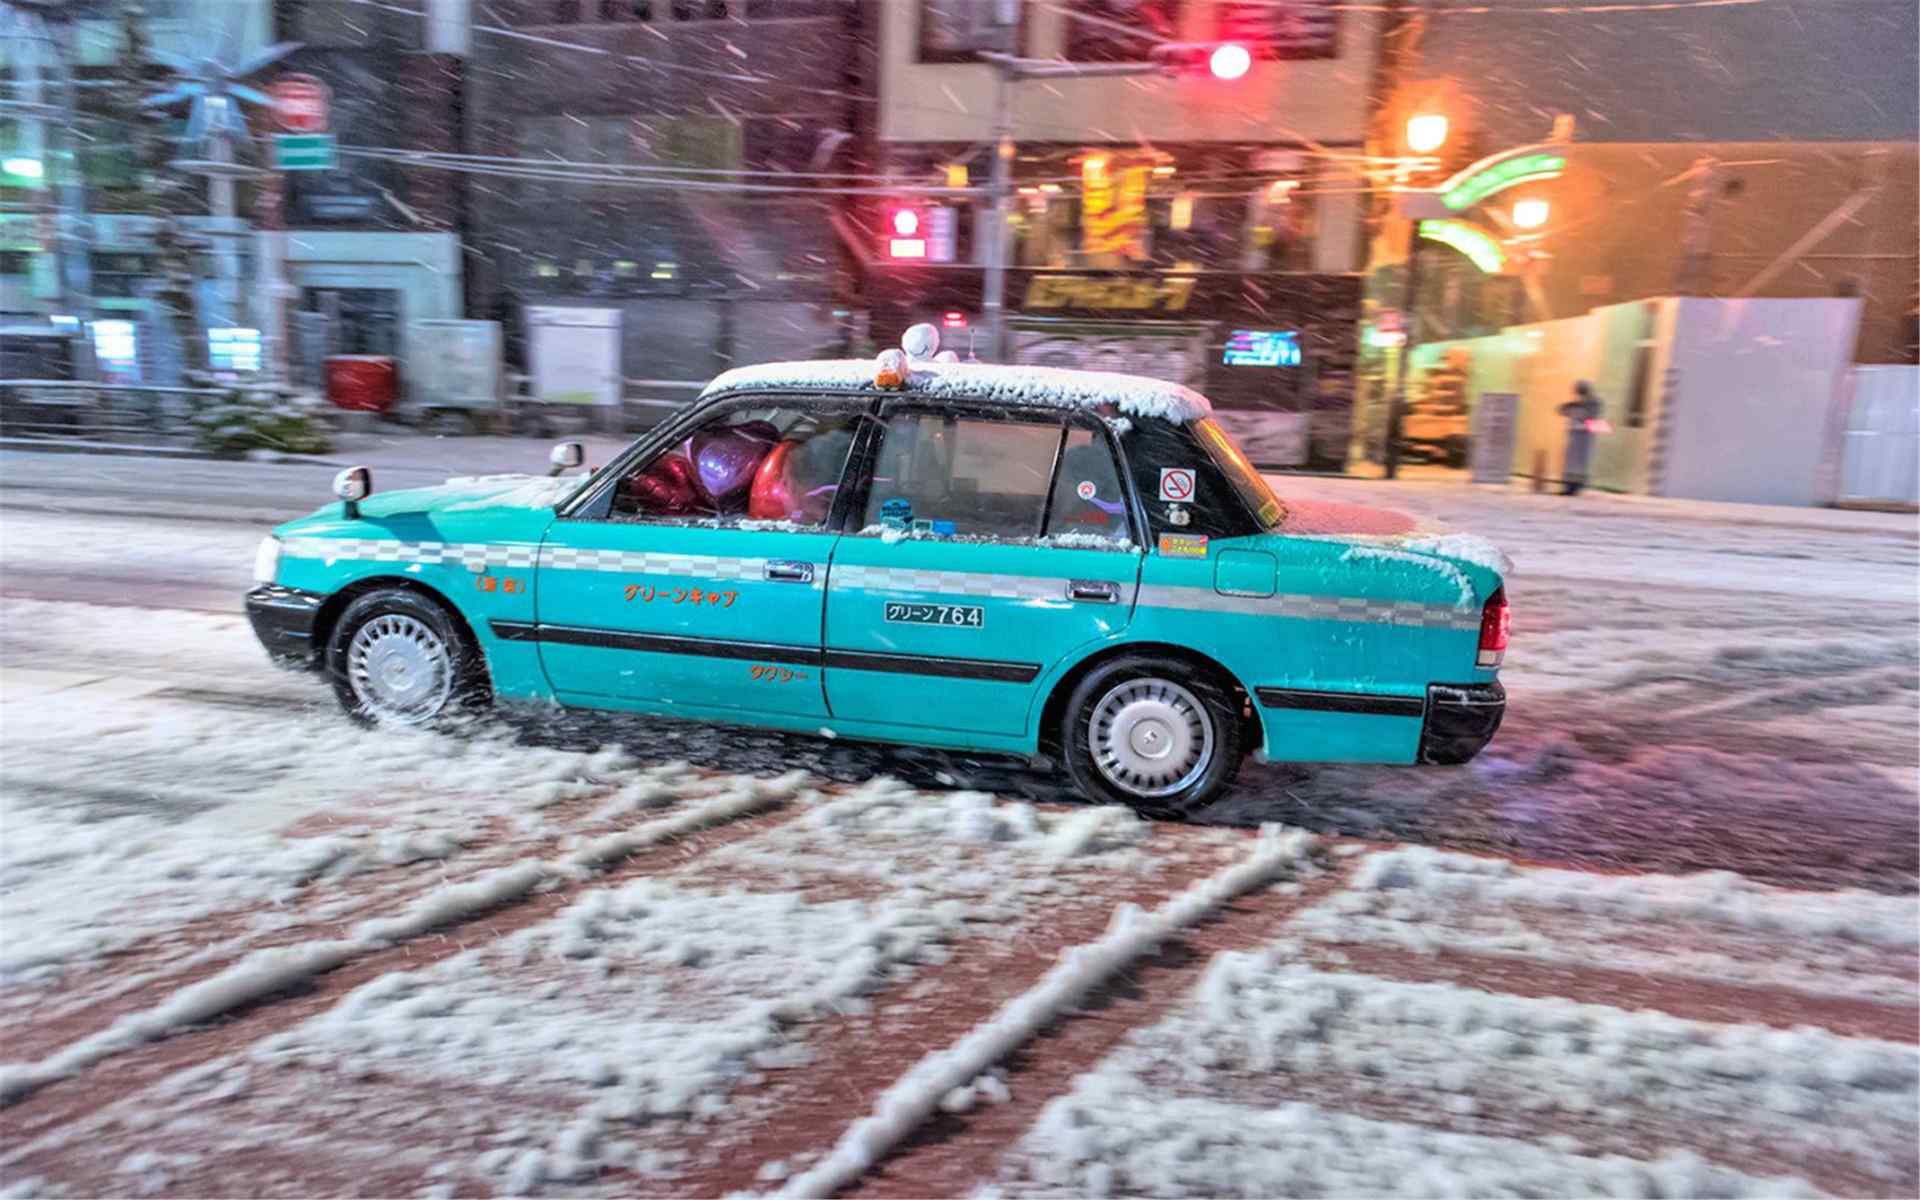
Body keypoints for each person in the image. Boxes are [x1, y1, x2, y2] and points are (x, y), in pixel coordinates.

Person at [1557, 380, 1603, 496]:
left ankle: (1575, 487)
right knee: (1572, 462)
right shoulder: (1579, 403)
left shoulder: (1594, 402)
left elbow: (1591, 417)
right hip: (1575, 437)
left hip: (1585, 438)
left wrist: (1578, 414)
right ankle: (1569, 486)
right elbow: (1562, 410)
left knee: (1580, 463)